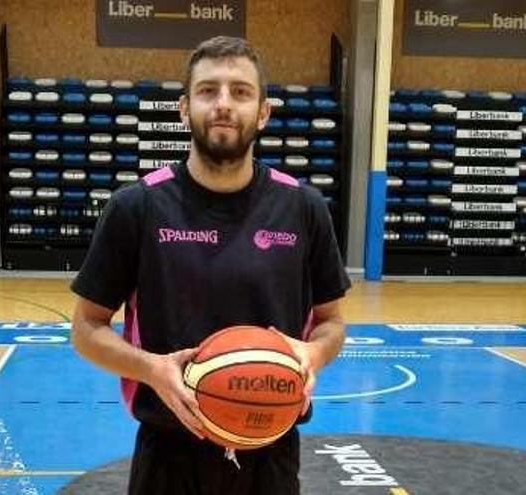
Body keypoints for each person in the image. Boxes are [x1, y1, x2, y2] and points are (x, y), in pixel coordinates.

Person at [70, 35, 350, 495]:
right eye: (208, 91)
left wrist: (312, 353)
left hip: (271, 450)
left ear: (263, 112)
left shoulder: (303, 207)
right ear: (184, 108)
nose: (223, 104)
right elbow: (86, 329)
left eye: (240, 92)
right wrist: (150, 368)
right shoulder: (137, 206)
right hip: (169, 455)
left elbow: (331, 322)